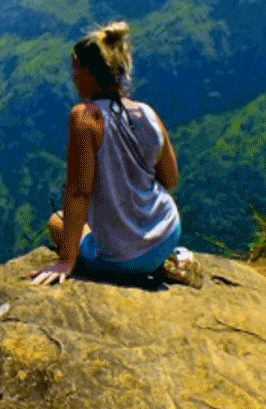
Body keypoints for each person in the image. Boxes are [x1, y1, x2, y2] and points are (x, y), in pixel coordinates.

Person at [30, 21, 188, 287]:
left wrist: (66, 260)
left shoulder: (85, 118)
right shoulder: (150, 114)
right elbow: (170, 179)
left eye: (76, 67)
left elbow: (79, 192)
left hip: (119, 258)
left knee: (57, 221)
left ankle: (137, 264)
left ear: (89, 72)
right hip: (167, 233)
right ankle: (171, 259)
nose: (73, 76)